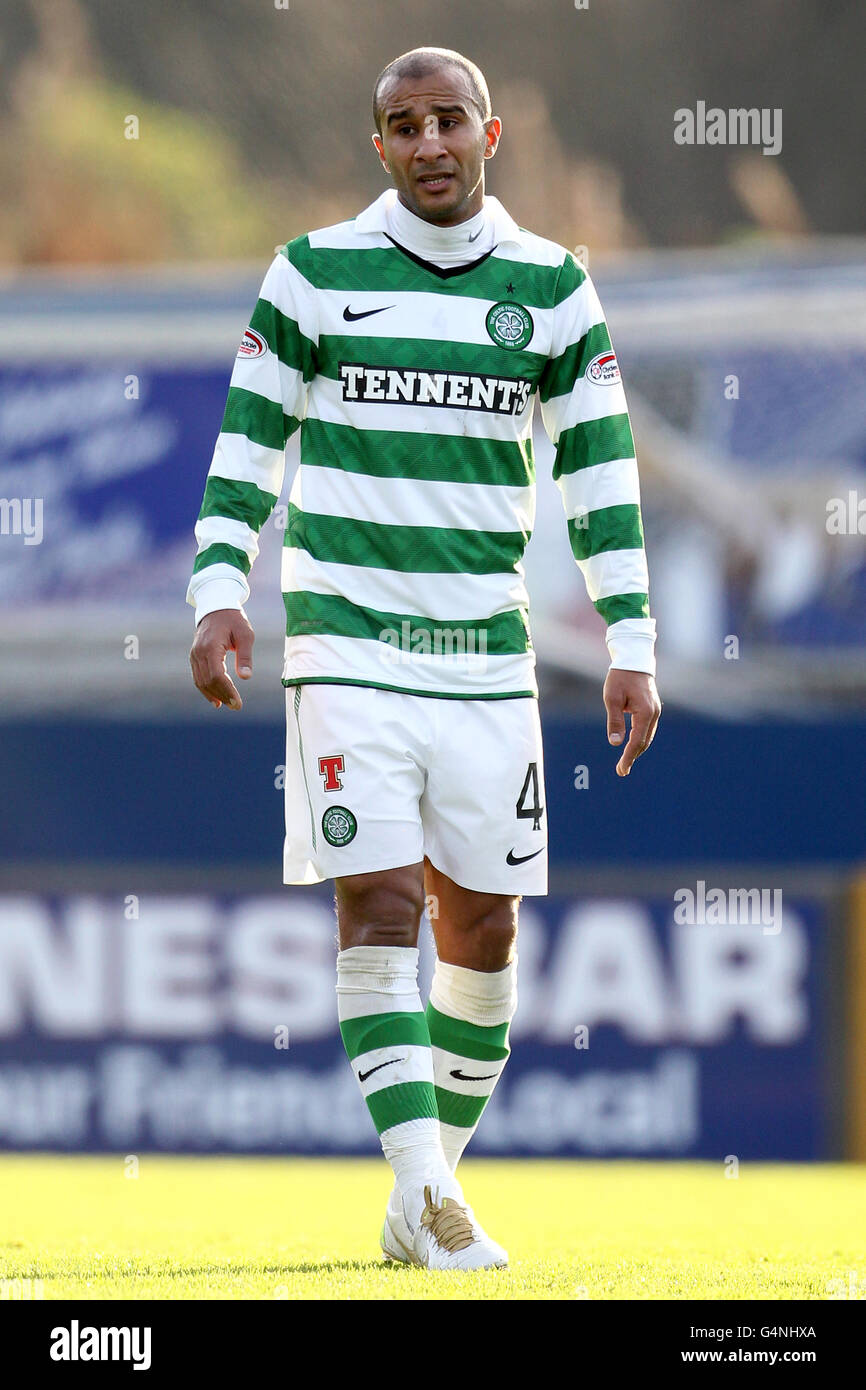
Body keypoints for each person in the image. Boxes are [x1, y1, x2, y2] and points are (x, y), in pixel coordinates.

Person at [188, 46, 661, 1270]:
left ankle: (422, 1192)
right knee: (382, 901)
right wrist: (216, 591)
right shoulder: (310, 273)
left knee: (484, 926)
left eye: (447, 119)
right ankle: (429, 1194)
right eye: (403, 125)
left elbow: (599, 475)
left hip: (486, 656)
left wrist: (630, 638)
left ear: (489, 135)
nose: (429, 143)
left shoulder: (552, 288)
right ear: (380, 146)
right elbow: (246, 446)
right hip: (346, 642)